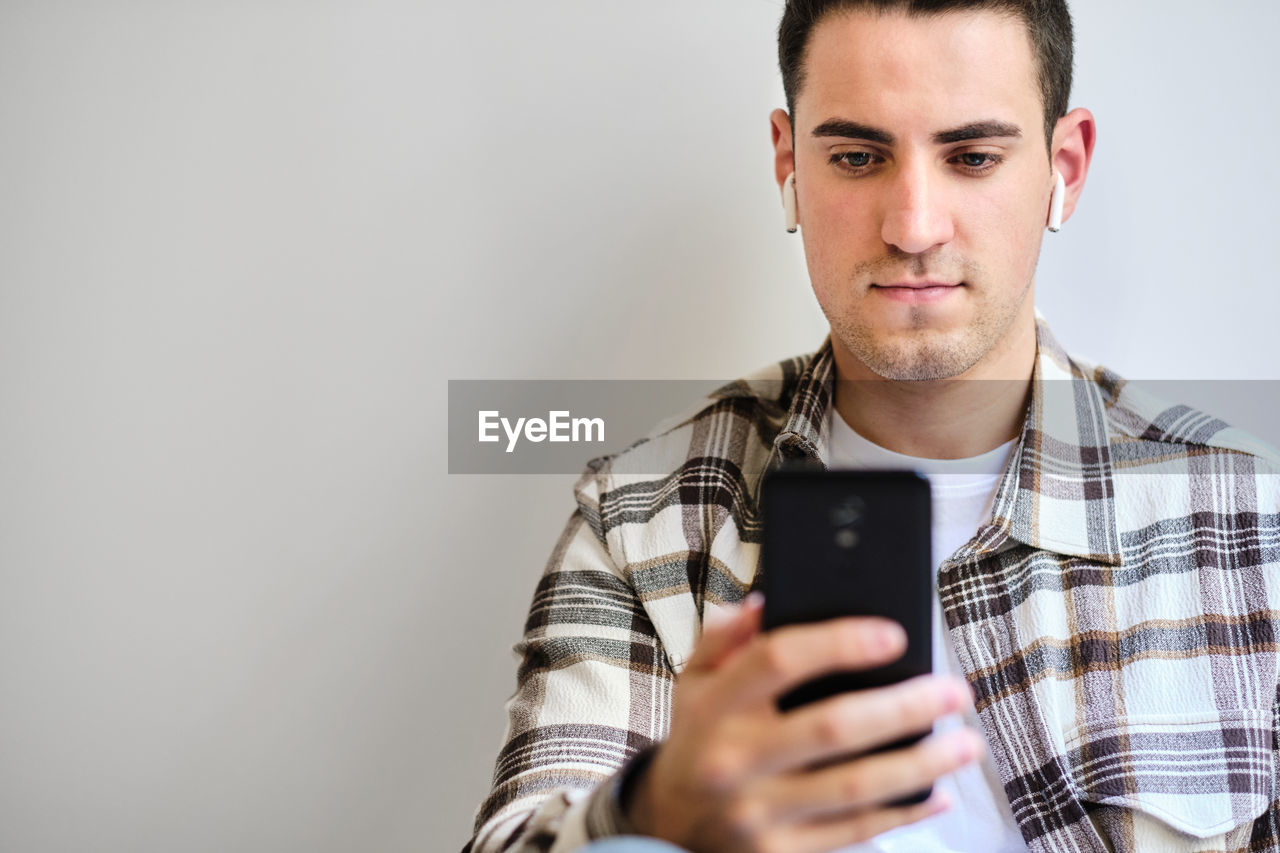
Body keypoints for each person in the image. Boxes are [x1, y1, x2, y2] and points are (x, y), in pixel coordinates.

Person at [463, 1, 1280, 851]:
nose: (913, 226)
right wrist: (651, 814)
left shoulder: (1252, 516)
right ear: (789, 163)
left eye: (972, 157)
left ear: (1063, 167)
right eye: (857, 156)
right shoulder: (641, 518)